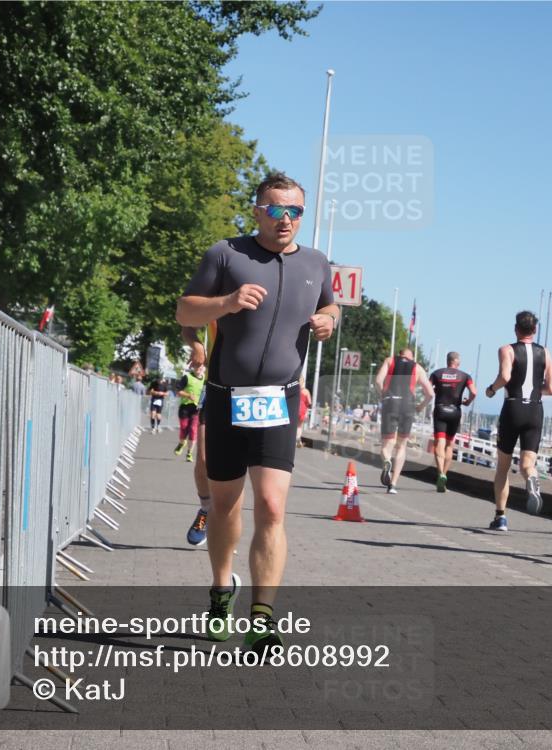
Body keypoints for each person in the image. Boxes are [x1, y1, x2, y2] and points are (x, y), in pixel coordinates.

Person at [176, 172, 337, 653]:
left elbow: (330, 306)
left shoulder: (316, 262)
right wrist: (225, 302)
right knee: (225, 506)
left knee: (271, 506)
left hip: (280, 398)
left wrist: (330, 319)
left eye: (295, 211)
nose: (285, 219)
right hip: (227, 395)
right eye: (275, 209)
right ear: (257, 211)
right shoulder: (226, 254)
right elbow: (185, 311)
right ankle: (222, 587)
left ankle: (263, 617)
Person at [484, 311, 552, 531]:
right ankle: (531, 479)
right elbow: (551, 389)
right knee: (527, 464)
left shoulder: (507, 350)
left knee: (503, 468)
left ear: (516, 329)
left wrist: (491, 389)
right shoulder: (545, 353)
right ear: (534, 330)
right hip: (535, 409)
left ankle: (501, 517)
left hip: (513, 407)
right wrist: (535, 390)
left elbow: (505, 377)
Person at [374, 348, 434, 495]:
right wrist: (420, 406)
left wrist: (383, 394)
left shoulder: (390, 361)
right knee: (401, 447)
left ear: (399, 354)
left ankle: (387, 461)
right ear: (411, 357)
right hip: (408, 405)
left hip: (391, 402)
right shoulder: (418, 368)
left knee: (387, 445)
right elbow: (430, 393)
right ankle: (393, 484)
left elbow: (377, 381)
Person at [182, 325, 214, 547]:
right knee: (202, 461)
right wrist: (196, 345)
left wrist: (329, 319)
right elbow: (186, 320)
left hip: (263, 393)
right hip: (217, 387)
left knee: (238, 471)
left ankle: (225, 531)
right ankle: (206, 509)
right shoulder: (222, 291)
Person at [429, 352, 477, 492]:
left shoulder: (436, 373)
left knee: (439, 443)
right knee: (449, 445)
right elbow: (474, 392)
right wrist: (467, 401)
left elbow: (428, 389)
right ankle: (444, 475)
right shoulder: (465, 376)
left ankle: (440, 474)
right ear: (458, 362)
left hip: (440, 410)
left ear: (447, 361)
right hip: (455, 411)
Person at [174, 363, 205, 461]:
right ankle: (182, 443)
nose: (199, 368)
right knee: (184, 428)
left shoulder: (205, 380)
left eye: (201, 367)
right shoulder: (187, 377)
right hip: (185, 407)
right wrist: (188, 395)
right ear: (193, 367)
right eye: (197, 366)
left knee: (193, 430)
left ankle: (189, 453)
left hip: (196, 409)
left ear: (204, 368)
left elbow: (205, 393)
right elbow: (178, 392)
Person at [296, 380, 312, 448]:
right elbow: (309, 402)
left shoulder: (295, 390)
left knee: (294, 426)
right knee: (299, 426)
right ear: (303, 382)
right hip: (302, 409)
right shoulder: (306, 391)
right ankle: (297, 441)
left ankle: (295, 441)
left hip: (294, 408)